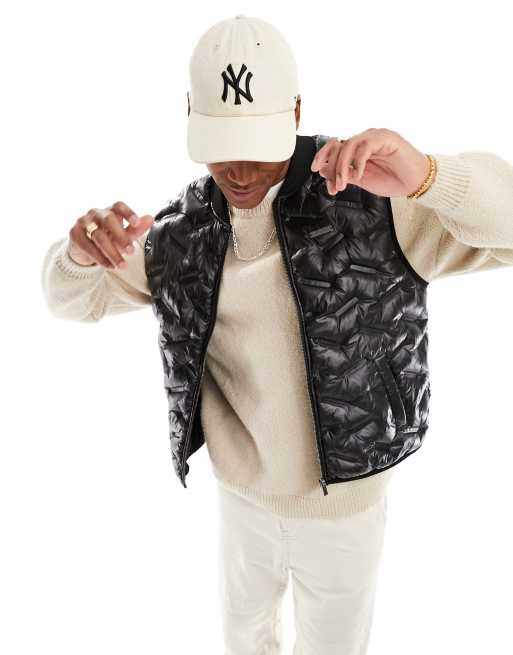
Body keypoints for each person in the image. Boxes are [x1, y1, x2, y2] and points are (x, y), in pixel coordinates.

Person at [41, 14, 513, 655]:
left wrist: (428, 175)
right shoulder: (181, 235)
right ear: (190, 115)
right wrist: (76, 255)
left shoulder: (376, 203)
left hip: (346, 507)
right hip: (241, 503)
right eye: (221, 142)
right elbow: (69, 300)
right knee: (245, 641)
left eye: (256, 143)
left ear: (295, 112)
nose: (238, 169)